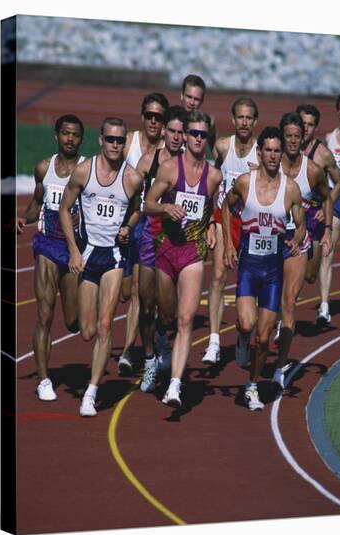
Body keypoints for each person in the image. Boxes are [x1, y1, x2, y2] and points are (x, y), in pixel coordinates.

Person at [59, 117, 143, 417]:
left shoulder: (132, 178)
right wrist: (72, 249)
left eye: (120, 141)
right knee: (87, 330)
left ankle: (91, 393)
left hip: (114, 258)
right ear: (100, 140)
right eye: (110, 140)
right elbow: (64, 210)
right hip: (88, 254)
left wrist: (127, 227)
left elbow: (136, 210)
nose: (115, 146)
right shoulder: (84, 171)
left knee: (106, 325)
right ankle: (92, 381)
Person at [223, 126, 305, 411]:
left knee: (264, 338)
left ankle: (252, 385)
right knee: (247, 325)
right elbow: (225, 206)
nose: (272, 155)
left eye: (276, 150)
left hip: (272, 272)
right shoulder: (245, 182)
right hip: (248, 267)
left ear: (281, 154)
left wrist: (295, 239)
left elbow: (301, 222)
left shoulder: (290, 188)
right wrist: (231, 244)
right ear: (260, 152)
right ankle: (241, 337)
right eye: (267, 150)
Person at [144, 110, 222, 406]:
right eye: (194, 133)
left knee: (186, 319)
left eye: (203, 134)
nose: (198, 139)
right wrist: (166, 209)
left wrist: (213, 227)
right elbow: (149, 203)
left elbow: (214, 206)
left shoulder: (213, 176)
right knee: (167, 314)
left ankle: (175, 385)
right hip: (166, 249)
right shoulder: (168, 169)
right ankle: (163, 339)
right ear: (185, 136)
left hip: (192, 251)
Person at [16, 114, 85, 401]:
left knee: (73, 323)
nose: (70, 138)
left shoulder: (86, 170)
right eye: (65, 133)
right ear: (56, 136)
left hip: (72, 250)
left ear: (81, 139)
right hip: (45, 245)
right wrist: (23, 218)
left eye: (75, 134)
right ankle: (44, 379)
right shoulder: (44, 168)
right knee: (44, 314)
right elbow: (37, 203)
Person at [272, 112, 332, 388]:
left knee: (289, 301)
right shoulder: (271, 165)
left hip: (298, 242)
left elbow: (328, 196)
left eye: (297, 136)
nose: (294, 140)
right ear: (282, 139)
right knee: (265, 308)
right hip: (270, 241)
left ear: (302, 138)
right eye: (289, 136)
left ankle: (280, 367)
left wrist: (327, 226)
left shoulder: (312, 170)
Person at [202, 96, 259, 364]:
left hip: (251, 225)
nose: (244, 122)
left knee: (251, 285)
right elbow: (213, 183)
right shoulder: (223, 147)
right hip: (225, 219)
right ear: (233, 120)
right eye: (240, 117)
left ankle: (244, 336)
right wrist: (212, 223)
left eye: (249, 117)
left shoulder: (262, 152)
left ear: (255, 121)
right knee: (218, 276)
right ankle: (214, 340)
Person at [117, 92, 170, 375]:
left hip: (155, 227)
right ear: (142, 117)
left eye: (158, 117)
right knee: (126, 293)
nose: (153, 121)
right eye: (149, 115)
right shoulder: (128, 144)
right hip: (127, 220)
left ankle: (129, 351)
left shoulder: (169, 148)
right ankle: (155, 336)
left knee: (141, 291)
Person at [134, 105, 187, 387]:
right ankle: (149, 360)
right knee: (145, 306)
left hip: (178, 240)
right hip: (149, 237)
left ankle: (165, 340)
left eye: (182, 132)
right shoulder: (148, 161)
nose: (177, 137)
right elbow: (134, 197)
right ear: (164, 131)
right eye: (173, 131)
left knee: (170, 311)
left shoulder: (191, 165)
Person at [296, 103, 340, 285]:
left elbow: (338, 182)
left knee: (310, 276)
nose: (305, 128)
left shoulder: (323, 154)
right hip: (290, 213)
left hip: (313, 216)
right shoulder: (287, 147)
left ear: (316, 127)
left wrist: (327, 207)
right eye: (302, 123)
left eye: (310, 124)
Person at [317, 92, 340, 326]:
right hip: (335, 201)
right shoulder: (329, 139)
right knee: (326, 251)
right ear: (337, 112)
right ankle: (325, 306)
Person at [180, 74, 216, 150]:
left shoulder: (207, 124)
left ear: (202, 101)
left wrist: (212, 132)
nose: (192, 102)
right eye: (189, 97)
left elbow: (216, 154)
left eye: (196, 99)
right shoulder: (171, 120)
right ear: (182, 95)